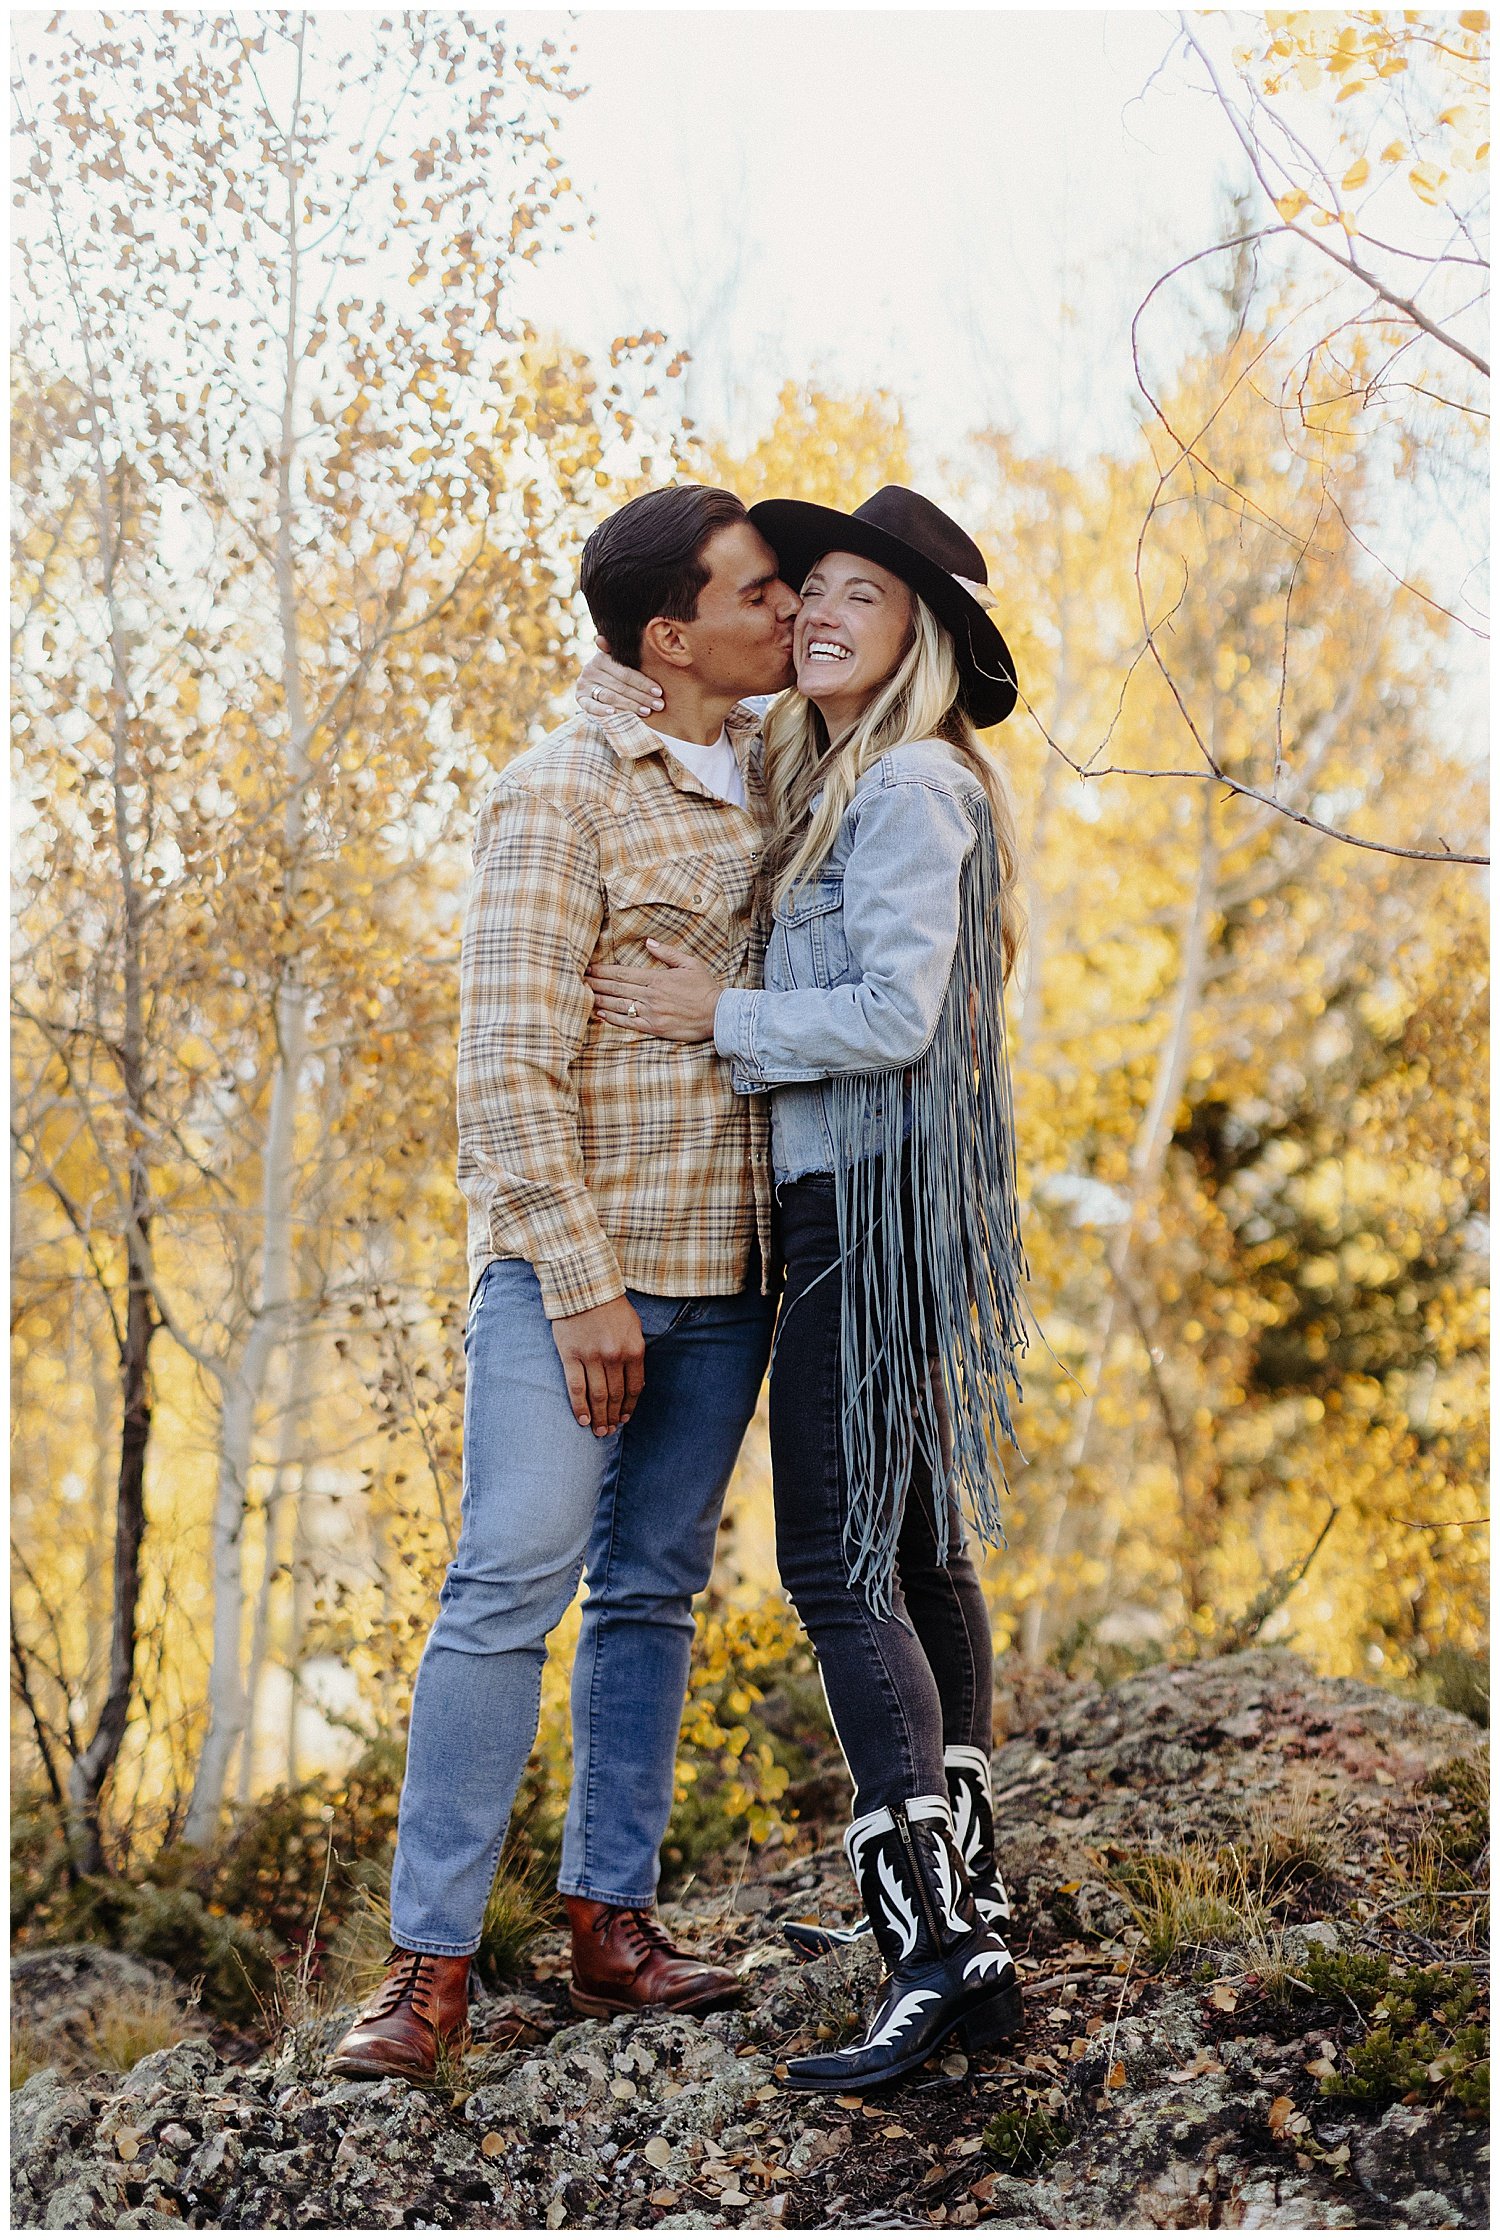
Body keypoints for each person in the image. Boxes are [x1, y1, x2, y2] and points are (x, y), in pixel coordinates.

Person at [330, 485, 801, 2081]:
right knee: (506, 1584)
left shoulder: (793, 783)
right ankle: (430, 1965)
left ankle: (613, 1924)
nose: (786, 607)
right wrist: (584, 1286)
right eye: (757, 590)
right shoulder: (557, 798)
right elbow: (504, 1076)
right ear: (673, 636)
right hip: (569, 1279)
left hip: (733, 1279)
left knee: (653, 1592)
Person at [584, 485, 1029, 2091]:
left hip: (865, 1206)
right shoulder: (838, 776)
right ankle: (965, 1911)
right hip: (874, 1204)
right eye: (808, 589)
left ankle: (933, 1943)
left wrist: (723, 1009)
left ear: (917, 634)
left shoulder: (911, 783)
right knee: (914, 1551)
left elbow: (896, 1015)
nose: (823, 612)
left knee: (843, 1565)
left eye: (860, 594)